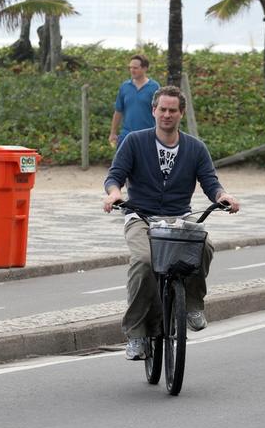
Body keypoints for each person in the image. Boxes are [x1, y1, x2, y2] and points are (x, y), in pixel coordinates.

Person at [102, 85, 240, 360]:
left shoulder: (196, 148)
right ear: (153, 111)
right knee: (143, 261)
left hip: (179, 216)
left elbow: (210, 182)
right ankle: (137, 335)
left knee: (205, 245)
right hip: (140, 216)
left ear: (181, 113)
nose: (167, 115)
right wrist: (114, 194)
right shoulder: (134, 142)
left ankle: (192, 305)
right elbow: (114, 176)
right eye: (162, 109)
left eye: (172, 110)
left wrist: (223, 196)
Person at [108, 54, 160, 149]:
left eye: (135, 68)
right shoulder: (124, 87)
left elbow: (160, 112)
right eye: (130, 67)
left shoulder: (155, 87)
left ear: (144, 68)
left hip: (148, 135)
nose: (132, 70)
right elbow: (118, 111)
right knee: (123, 163)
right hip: (126, 135)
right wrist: (113, 133)